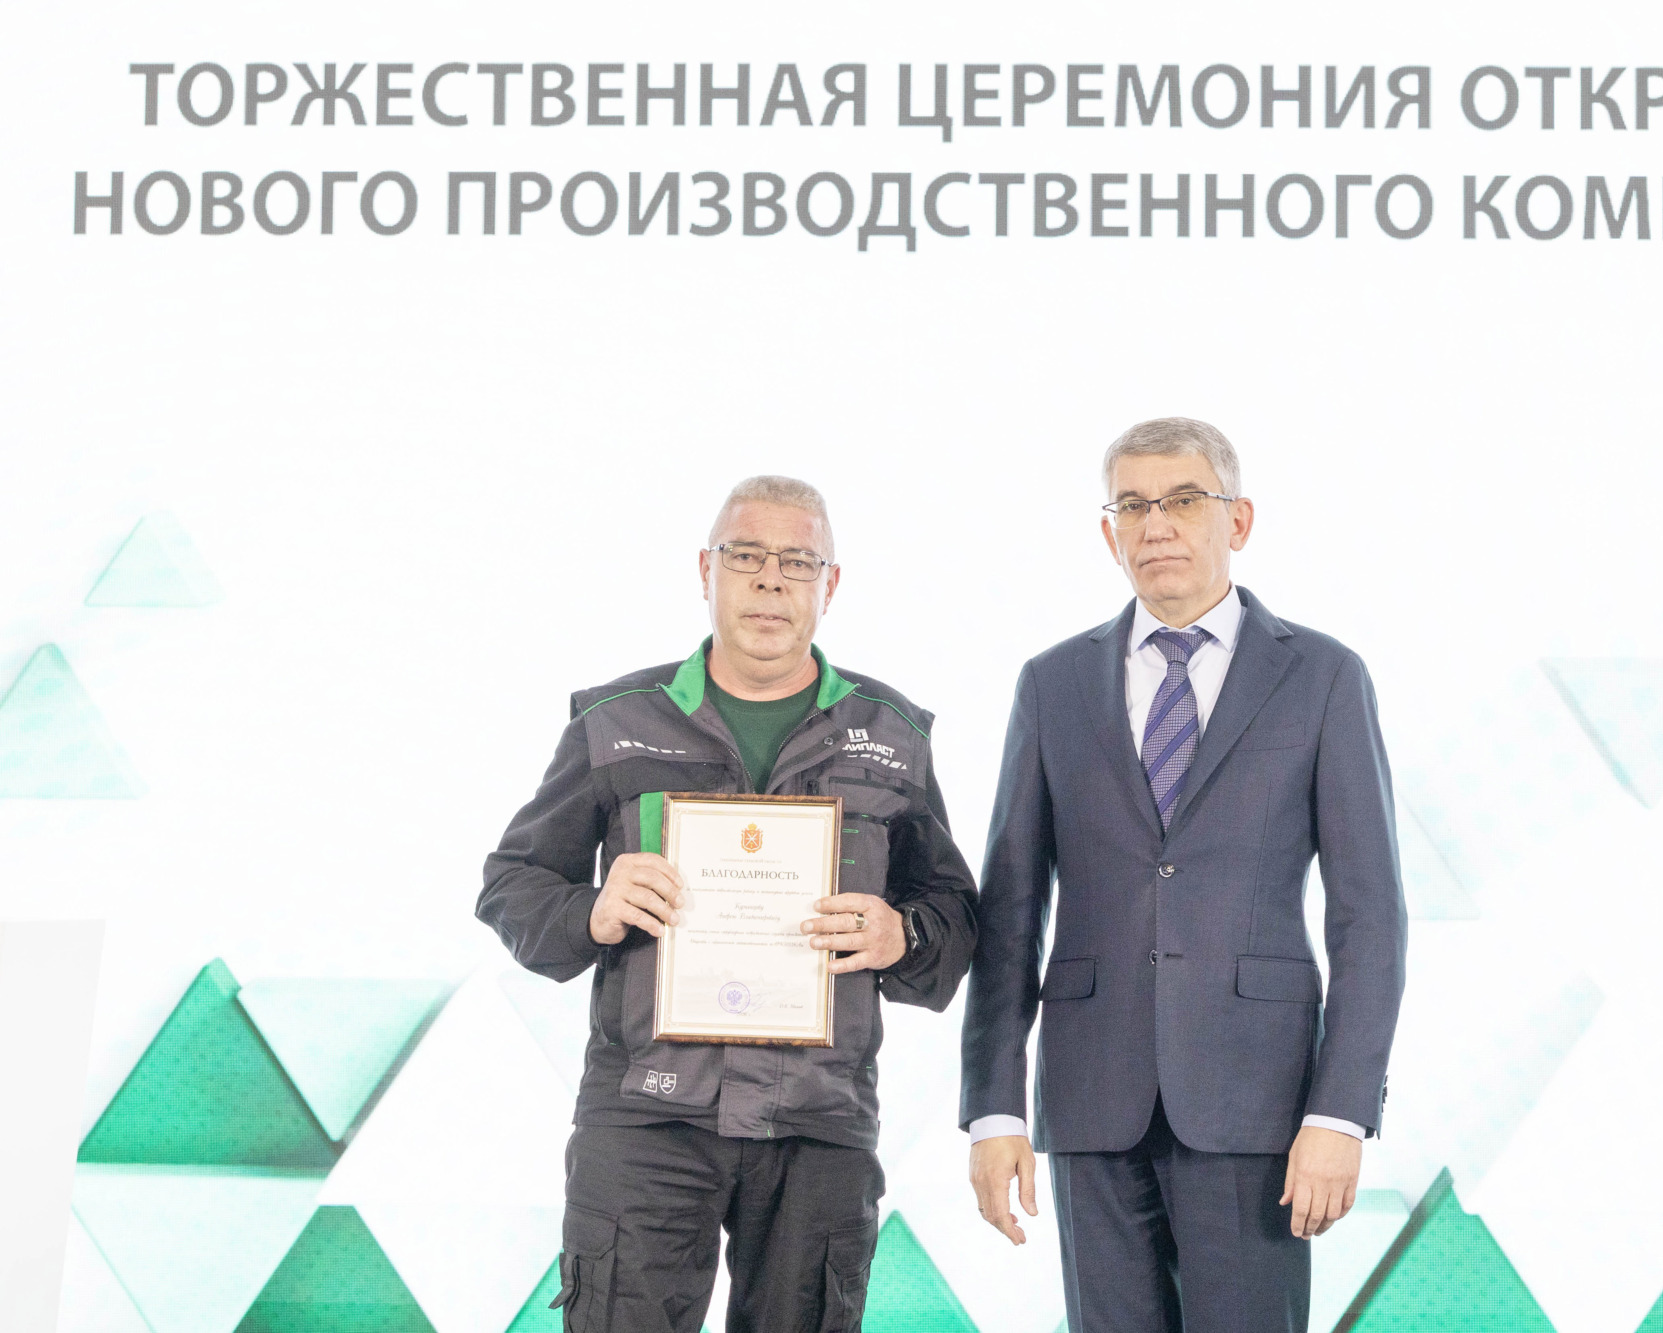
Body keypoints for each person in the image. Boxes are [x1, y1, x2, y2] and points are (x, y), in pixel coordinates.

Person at [479, 475, 978, 1333]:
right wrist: (594, 910)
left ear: (830, 584)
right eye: (746, 556)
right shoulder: (614, 721)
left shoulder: (893, 735)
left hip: (819, 1120)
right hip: (646, 1116)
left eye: (797, 561)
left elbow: (955, 914)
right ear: (705, 570)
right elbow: (512, 883)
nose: (771, 580)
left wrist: (902, 934)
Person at [959, 419, 1408, 1333]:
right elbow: (1010, 912)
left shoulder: (1323, 676)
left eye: (1183, 500)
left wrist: (1341, 1111)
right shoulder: (1052, 683)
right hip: (1092, 1097)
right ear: (1109, 532)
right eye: (1133, 504)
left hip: (1259, 1101)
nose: (1156, 523)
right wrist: (993, 1108)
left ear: (1238, 519)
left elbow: (1370, 916)